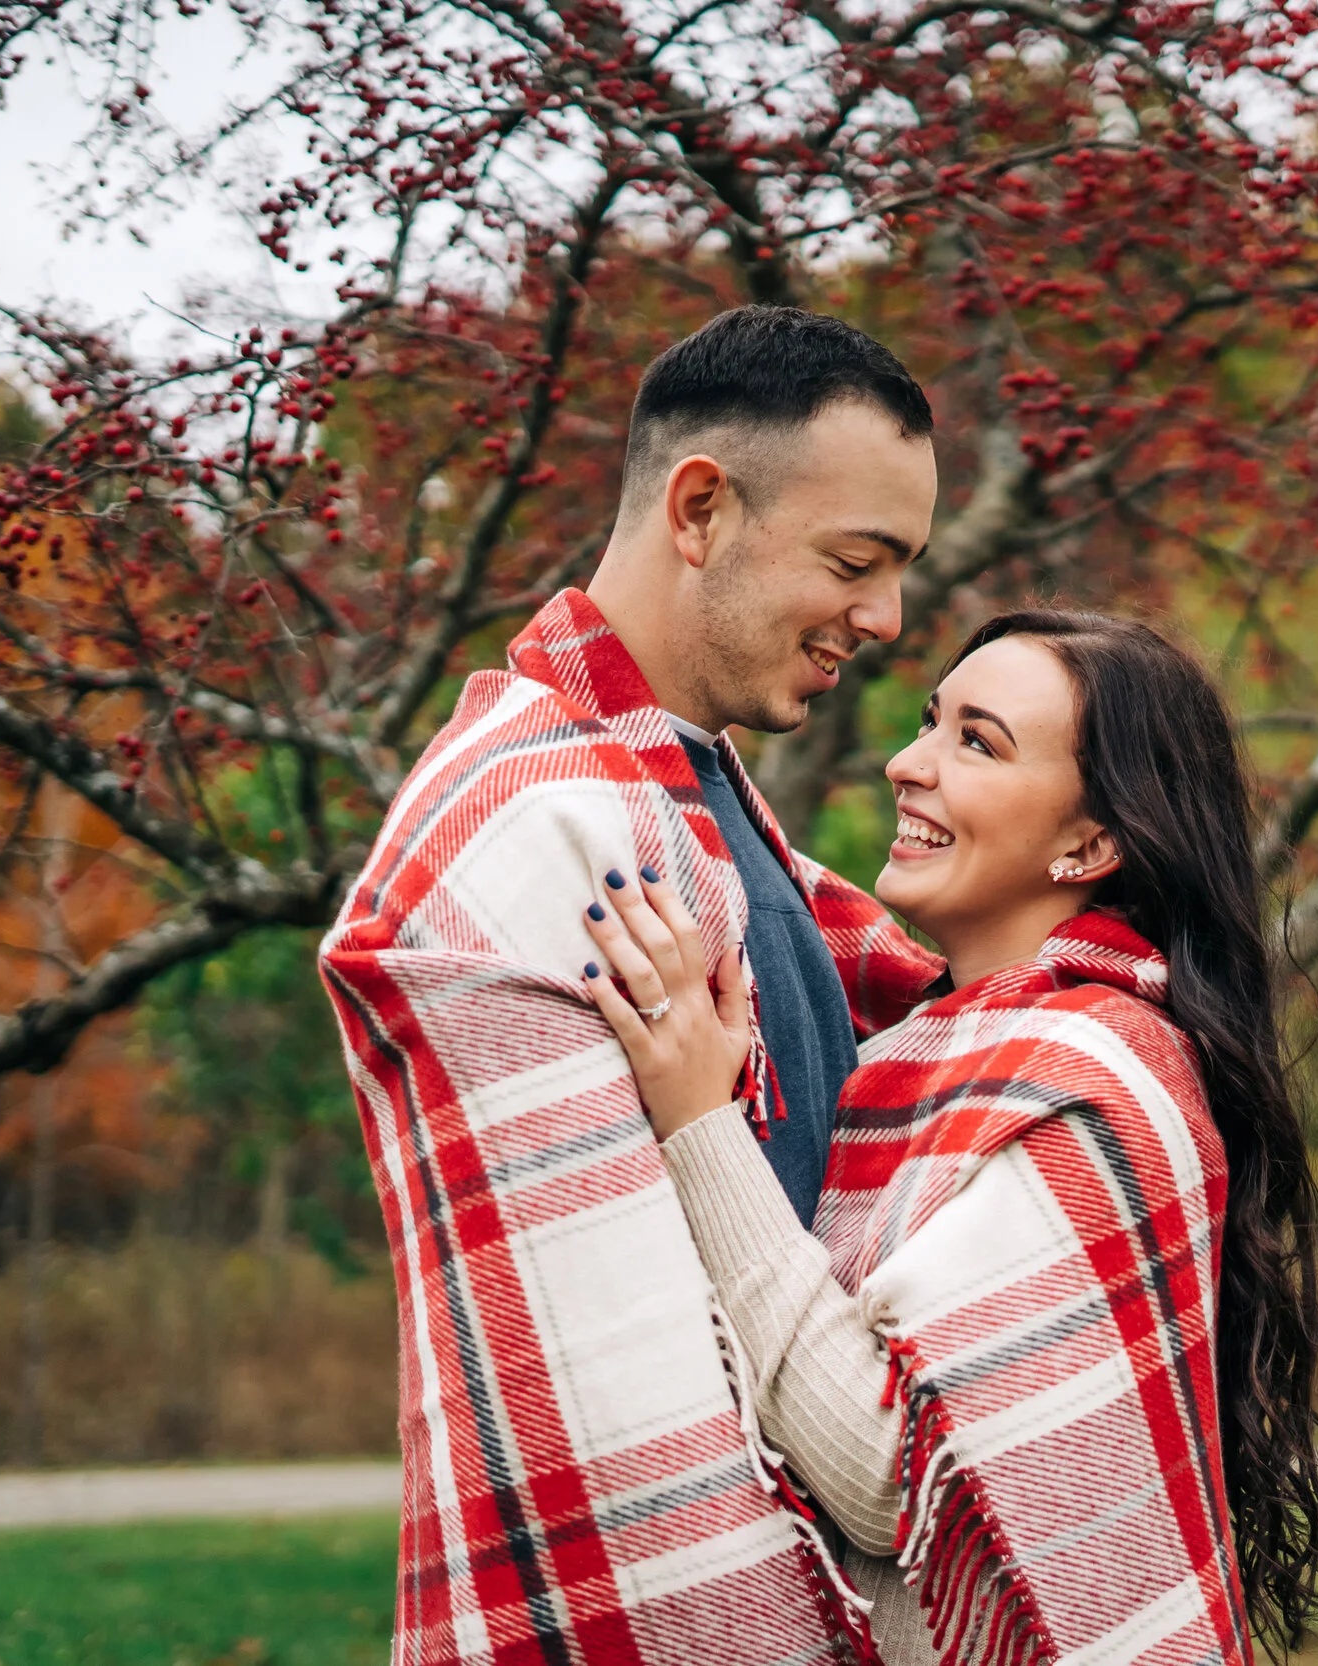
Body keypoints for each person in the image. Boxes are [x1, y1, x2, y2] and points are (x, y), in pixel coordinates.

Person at [320, 306, 949, 1666]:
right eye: (856, 560)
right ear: (702, 507)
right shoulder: (542, 828)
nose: (886, 617)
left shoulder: (694, 804)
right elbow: (597, 1367)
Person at [577, 612, 1318, 1664]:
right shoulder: (914, 1051)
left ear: (1090, 843)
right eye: (926, 723)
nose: (906, 764)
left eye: (975, 742)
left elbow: (885, 1471)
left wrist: (700, 1124)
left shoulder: (1094, 1083)